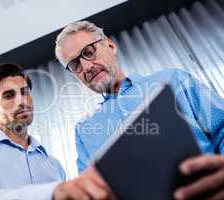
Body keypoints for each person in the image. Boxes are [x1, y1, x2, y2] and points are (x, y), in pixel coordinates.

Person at [55, 20, 224, 200]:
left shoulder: (173, 79)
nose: (86, 67)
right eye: (75, 65)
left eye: (89, 52)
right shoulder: (84, 131)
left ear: (110, 46)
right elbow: (89, 193)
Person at [0, 63, 115, 200]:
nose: (22, 101)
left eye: (25, 92)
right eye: (9, 95)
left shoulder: (54, 165)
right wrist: (52, 193)